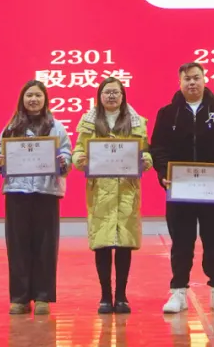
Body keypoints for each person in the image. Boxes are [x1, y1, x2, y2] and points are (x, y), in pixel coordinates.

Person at [150, 62, 214, 315]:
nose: (192, 83)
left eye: (196, 78)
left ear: (204, 80)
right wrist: (163, 174)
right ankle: (178, 292)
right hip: (180, 189)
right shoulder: (168, 113)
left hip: (212, 188)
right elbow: (158, 148)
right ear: (179, 82)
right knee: (181, 242)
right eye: (187, 79)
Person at [72, 77, 153, 314]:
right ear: (99, 96)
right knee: (103, 244)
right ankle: (105, 296)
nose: (111, 96)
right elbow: (78, 150)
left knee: (124, 244)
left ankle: (122, 296)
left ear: (123, 95)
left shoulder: (136, 122)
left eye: (115, 92)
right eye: (107, 92)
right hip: (100, 190)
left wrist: (145, 161)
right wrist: (79, 159)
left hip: (127, 189)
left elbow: (146, 152)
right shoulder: (88, 121)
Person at [0, 79, 72, 316]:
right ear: (22, 99)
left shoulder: (56, 127)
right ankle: (19, 298)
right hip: (17, 192)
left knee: (45, 246)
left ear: (45, 99)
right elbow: (0, 155)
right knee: (17, 246)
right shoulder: (11, 128)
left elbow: (66, 153)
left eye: (38, 95)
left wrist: (63, 161)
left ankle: (42, 297)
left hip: (46, 192)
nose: (33, 99)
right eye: (29, 95)